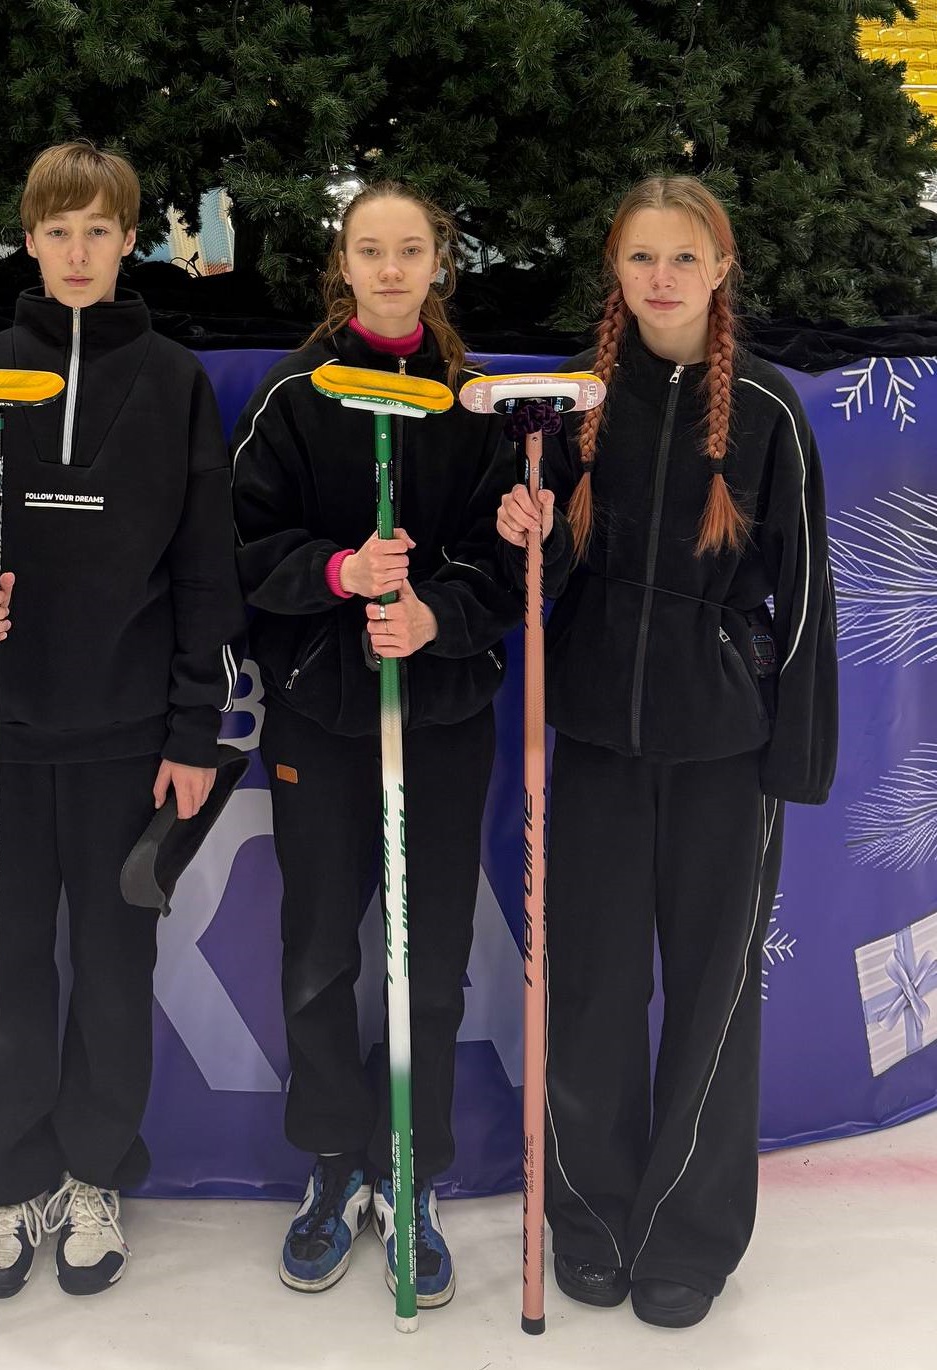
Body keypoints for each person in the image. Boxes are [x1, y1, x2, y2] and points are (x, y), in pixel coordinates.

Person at [0, 141, 244, 1298]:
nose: (78, 252)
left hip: (126, 739)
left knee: (111, 968)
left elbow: (205, 571)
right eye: (57, 231)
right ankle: (6, 1175)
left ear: (130, 239)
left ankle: (94, 1171)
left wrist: (192, 730)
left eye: (98, 230)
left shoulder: (175, 383)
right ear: (29, 241)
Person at [497, 175, 837, 1328]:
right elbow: (536, 572)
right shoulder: (571, 401)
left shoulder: (768, 410)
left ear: (719, 268)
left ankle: (685, 1234)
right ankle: (589, 1218)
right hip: (596, 734)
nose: (659, 278)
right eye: (640, 256)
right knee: (591, 987)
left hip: (722, 751)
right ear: (615, 268)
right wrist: (528, 529)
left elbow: (804, 591)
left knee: (710, 996)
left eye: (682, 257)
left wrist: (792, 756)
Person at [230, 182, 532, 1308]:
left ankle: (412, 1165)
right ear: (343, 264)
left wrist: (433, 618)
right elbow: (239, 543)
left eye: (411, 250)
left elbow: (506, 563)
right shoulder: (292, 392)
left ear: (437, 262)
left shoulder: (476, 401)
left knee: (430, 958)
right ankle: (330, 1160)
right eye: (371, 250)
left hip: (441, 717)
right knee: (318, 952)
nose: (392, 268)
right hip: (318, 714)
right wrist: (339, 573)